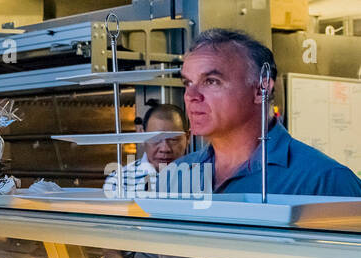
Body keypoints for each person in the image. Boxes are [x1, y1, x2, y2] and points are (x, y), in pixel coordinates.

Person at [169, 28, 361, 196]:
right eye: (188, 83)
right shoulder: (176, 175)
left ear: (261, 89)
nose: (191, 95)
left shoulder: (324, 182)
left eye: (211, 81)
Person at [119, 102, 190, 195]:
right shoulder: (120, 181)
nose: (164, 149)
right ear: (142, 135)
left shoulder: (202, 176)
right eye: (155, 138)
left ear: (188, 137)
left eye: (173, 139)